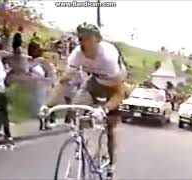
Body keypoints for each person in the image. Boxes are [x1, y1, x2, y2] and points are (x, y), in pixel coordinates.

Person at [39, 22, 128, 179]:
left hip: (114, 86)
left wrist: (105, 109)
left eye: (87, 39)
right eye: (80, 38)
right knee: (75, 107)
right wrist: (48, 105)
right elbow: (64, 81)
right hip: (94, 82)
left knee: (110, 128)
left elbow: (119, 93)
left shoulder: (108, 57)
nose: (82, 42)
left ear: (97, 41)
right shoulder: (76, 55)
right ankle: (81, 144)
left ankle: (111, 164)